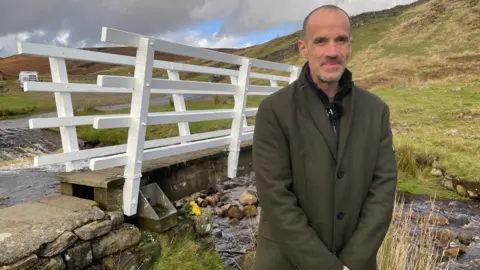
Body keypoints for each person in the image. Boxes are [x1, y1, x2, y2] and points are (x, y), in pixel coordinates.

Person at [251, 5, 398, 270]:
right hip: (286, 263)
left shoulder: (376, 111)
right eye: (320, 41)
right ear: (303, 48)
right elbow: (276, 198)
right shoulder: (274, 110)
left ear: (350, 45)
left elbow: (383, 191)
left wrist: (351, 262)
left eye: (340, 40)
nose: (332, 52)